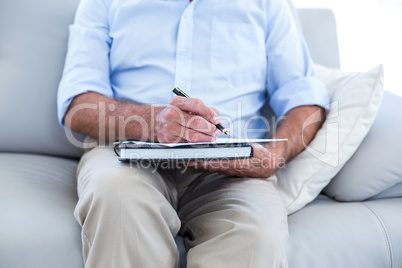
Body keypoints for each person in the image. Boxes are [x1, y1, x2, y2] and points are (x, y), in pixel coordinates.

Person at [58, 0, 329, 267]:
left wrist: (272, 157)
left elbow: (304, 99)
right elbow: (77, 105)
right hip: (127, 155)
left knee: (256, 232)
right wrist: (153, 122)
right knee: (116, 195)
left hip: (232, 170)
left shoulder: (268, 5)